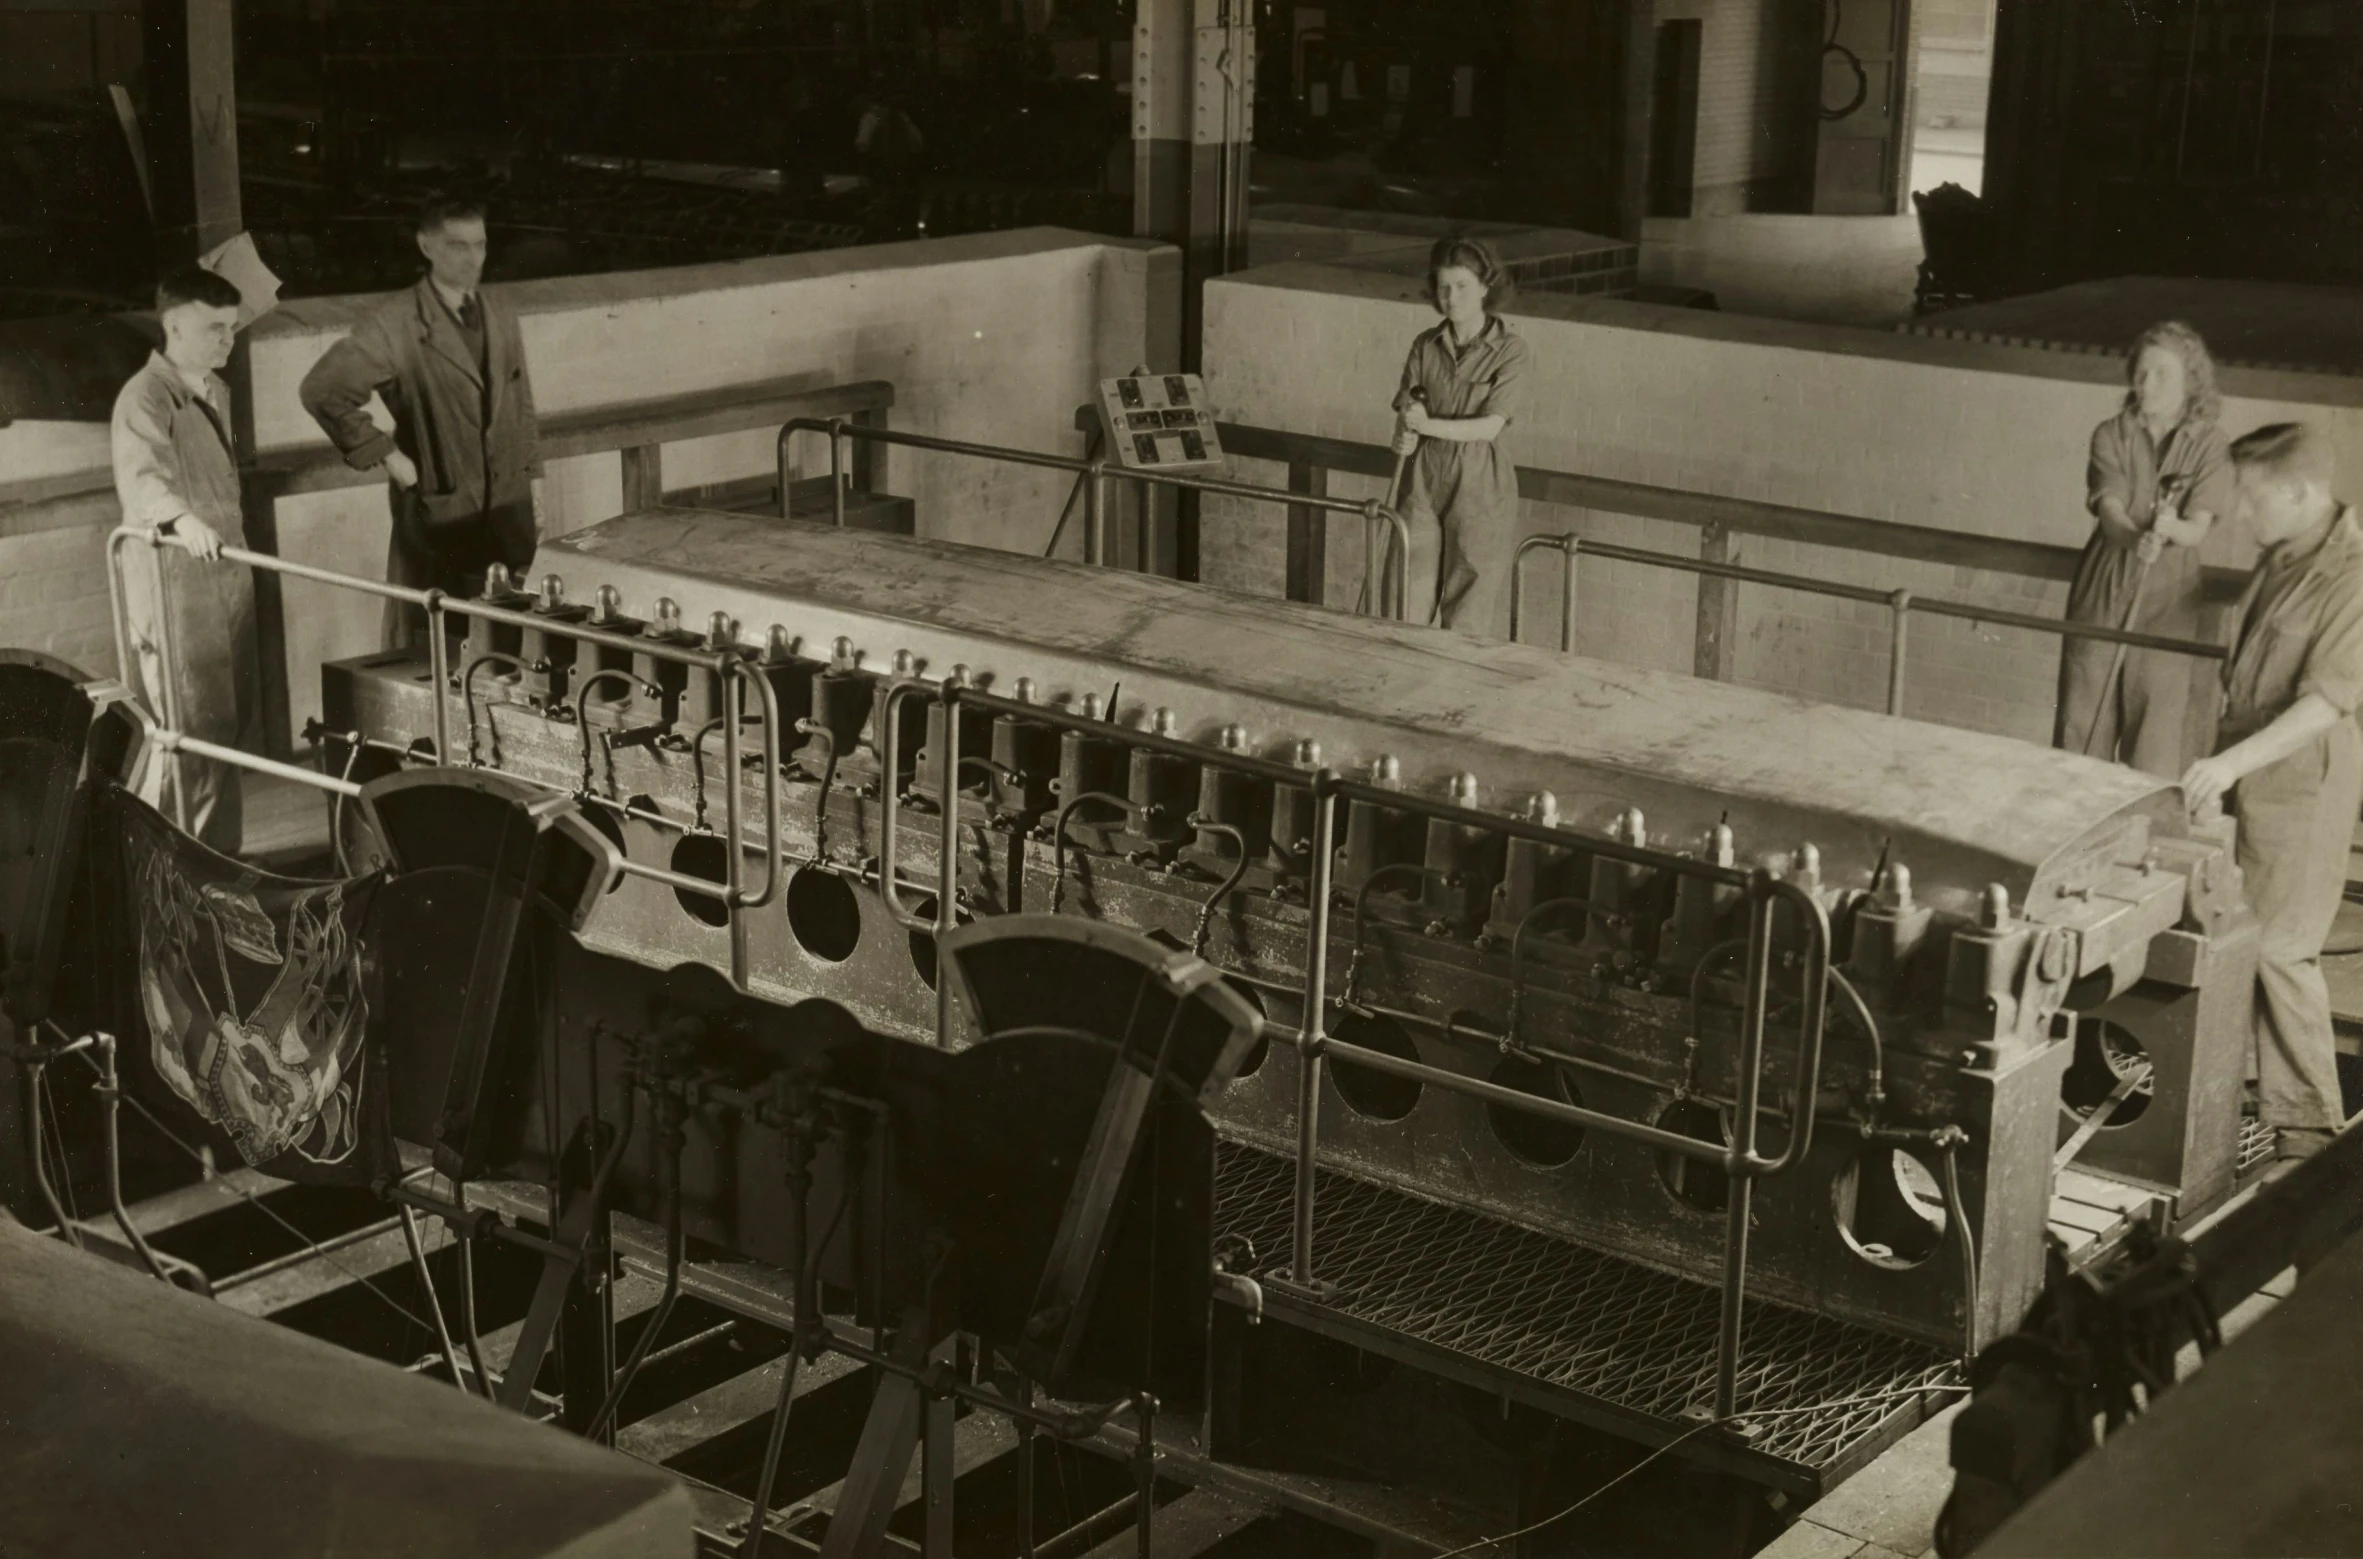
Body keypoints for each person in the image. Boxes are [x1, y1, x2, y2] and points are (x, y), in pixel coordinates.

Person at [2181, 423, 2363, 1165]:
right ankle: (2252, 1108)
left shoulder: (2351, 577)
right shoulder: (2285, 555)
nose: (2241, 512)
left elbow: (2324, 702)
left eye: (2254, 498)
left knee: (2282, 951)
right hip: (2252, 773)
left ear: (2299, 492)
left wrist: (2227, 769)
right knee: (2244, 940)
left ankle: (2310, 1144)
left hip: (2299, 787)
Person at [299, 192, 543, 647]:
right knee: (438, 644)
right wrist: (387, 455)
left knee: (518, 642)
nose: (473, 259)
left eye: (480, 245)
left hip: (510, 515)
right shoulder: (395, 322)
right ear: (425, 246)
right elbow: (322, 389)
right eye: (457, 246)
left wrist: (534, 480)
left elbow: (520, 400)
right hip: (440, 513)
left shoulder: (500, 311)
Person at [110, 263, 259, 855]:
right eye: (214, 328)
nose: (227, 340)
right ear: (173, 325)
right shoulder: (146, 395)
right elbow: (142, 477)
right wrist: (183, 518)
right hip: (176, 584)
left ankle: (200, 859)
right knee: (194, 731)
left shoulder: (211, 390)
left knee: (221, 726)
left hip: (220, 577)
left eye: (232, 328)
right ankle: (196, 866)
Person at [2056, 321, 2234, 775]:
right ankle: (2081, 824)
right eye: (2141, 371)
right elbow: (2109, 506)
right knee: (2083, 718)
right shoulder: (2110, 433)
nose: (2145, 384)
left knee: (2156, 723)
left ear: (2190, 383)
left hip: (2170, 593)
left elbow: (2200, 526)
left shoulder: (2211, 445)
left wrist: (2173, 528)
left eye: (2161, 375)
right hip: (2106, 580)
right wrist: (2136, 537)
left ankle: (2140, 833)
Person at [1389, 234, 1528, 639]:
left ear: (1487, 286)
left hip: (1481, 484)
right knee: (1403, 601)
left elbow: (1490, 427)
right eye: (1444, 287)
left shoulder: (1511, 351)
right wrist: (1403, 435)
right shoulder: (1425, 345)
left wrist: (1425, 426)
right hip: (1423, 479)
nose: (1452, 297)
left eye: (1463, 286)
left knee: (1466, 615)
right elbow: (1407, 409)